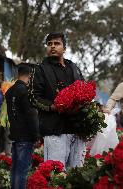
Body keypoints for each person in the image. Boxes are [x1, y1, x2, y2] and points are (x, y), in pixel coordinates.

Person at [29, 32, 85, 168]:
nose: (52, 46)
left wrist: (83, 105)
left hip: (77, 129)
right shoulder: (40, 69)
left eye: (57, 43)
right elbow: (33, 97)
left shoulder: (74, 68)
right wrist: (53, 106)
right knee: (56, 174)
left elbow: (84, 90)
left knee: (77, 173)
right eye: (49, 44)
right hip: (54, 130)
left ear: (64, 48)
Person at [5, 63, 39, 189]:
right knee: (22, 170)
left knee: (15, 169)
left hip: (15, 134)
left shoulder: (9, 91)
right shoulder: (25, 91)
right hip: (25, 136)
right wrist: (36, 136)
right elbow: (31, 115)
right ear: (30, 75)